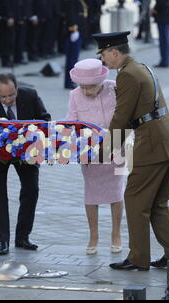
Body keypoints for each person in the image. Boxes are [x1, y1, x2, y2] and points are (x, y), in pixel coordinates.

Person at [92, 31, 169, 271]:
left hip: (153, 144)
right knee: (157, 202)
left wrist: (103, 153)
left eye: (103, 55)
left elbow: (120, 118)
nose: (103, 60)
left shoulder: (127, 76)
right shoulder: (139, 67)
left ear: (114, 52)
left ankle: (138, 257)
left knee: (135, 199)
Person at [0, 73, 51, 255]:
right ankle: (2, 240)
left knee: (31, 189)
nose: (8, 100)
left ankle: (23, 237)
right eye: (3, 96)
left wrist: (34, 139)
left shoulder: (30, 96)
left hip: (27, 151)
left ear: (17, 89)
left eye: (11, 95)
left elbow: (46, 121)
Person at [66, 58, 124, 255]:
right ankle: (93, 236)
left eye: (89, 87)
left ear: (100, 83)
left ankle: (116, 234)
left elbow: (126, 115)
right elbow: (71, 123)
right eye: (82, 87)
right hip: (90, 150)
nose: (85, 91)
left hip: (119, 144)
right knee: (91, 193)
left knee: (117, 191)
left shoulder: (115, 88)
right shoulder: (74, 95)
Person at [151, 0, 169, 68]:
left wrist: (154, 10)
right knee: (165, 40)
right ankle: (165, 61)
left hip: (163, 17)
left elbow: (161, 3)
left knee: (163, 40)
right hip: (166, 16)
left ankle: (164, 61)